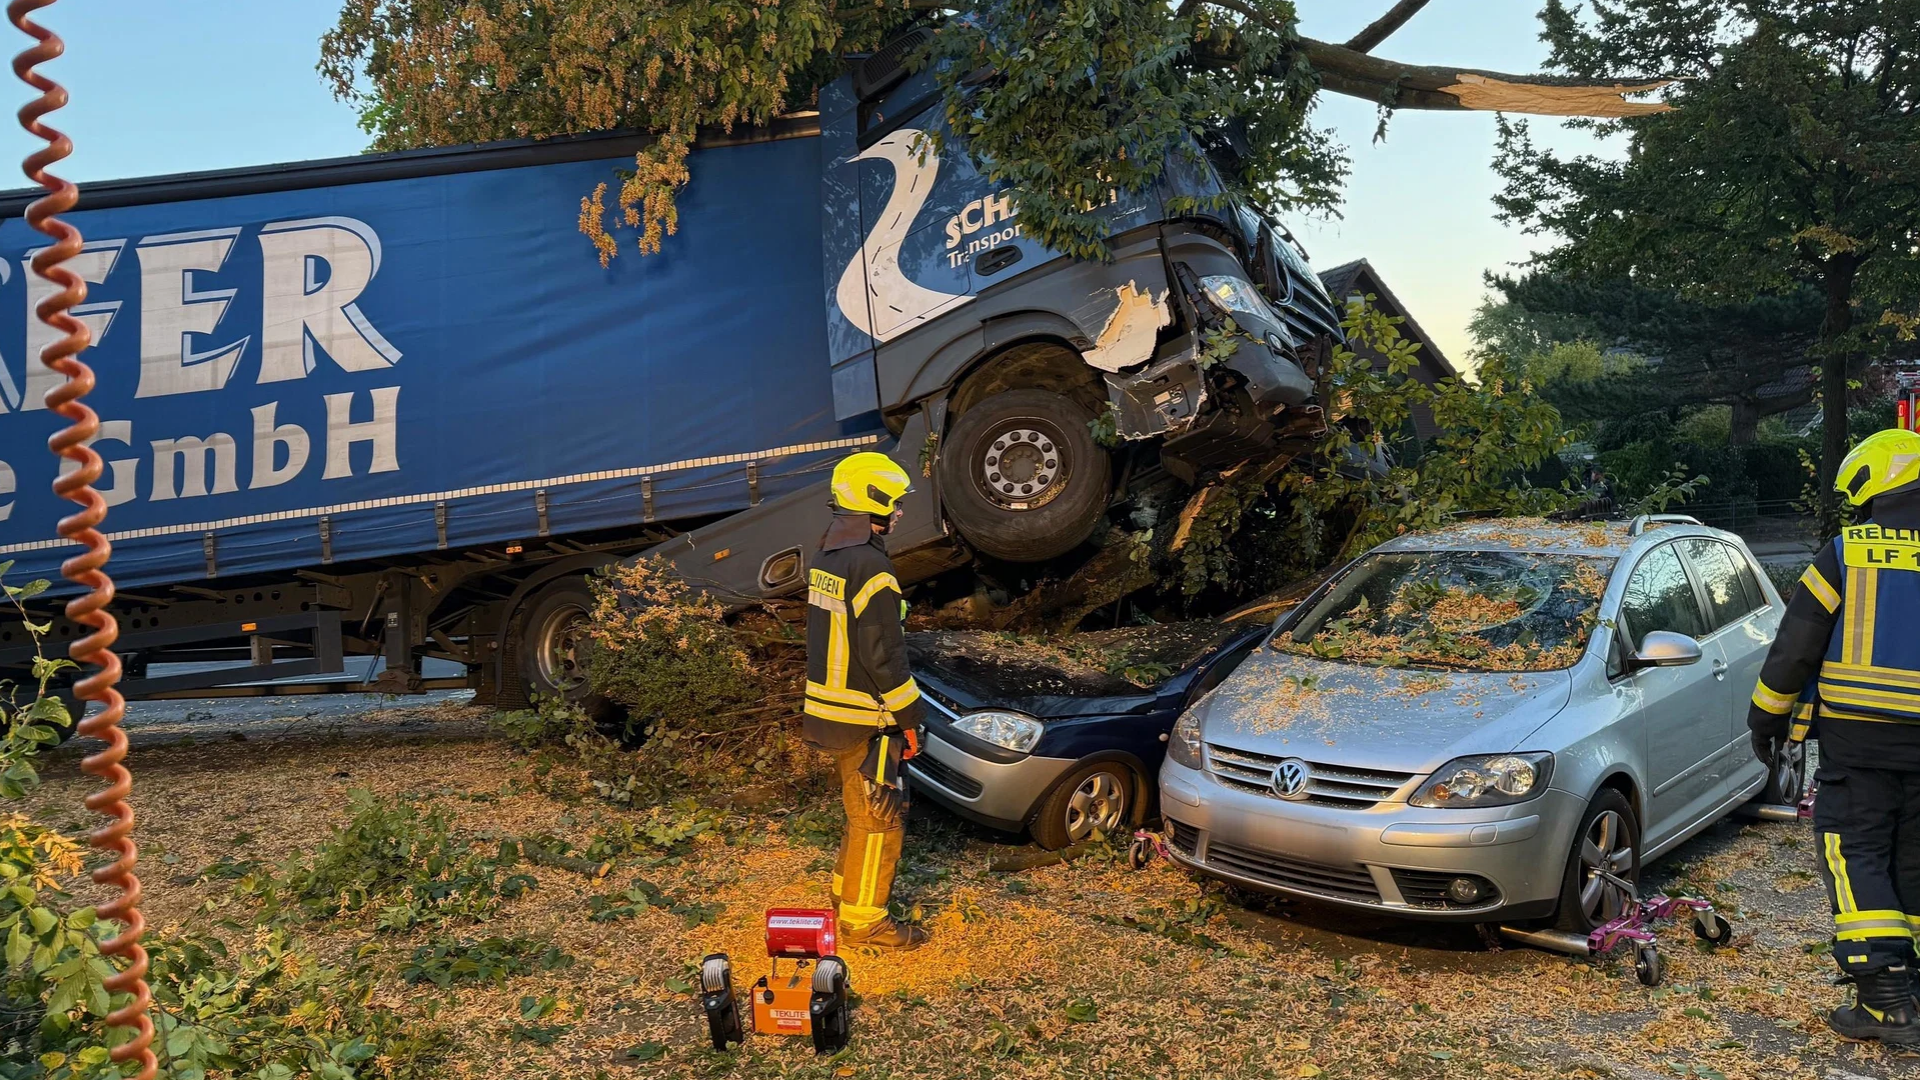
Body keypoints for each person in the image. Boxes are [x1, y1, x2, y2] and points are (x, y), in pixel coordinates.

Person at [1748, 427, 1920, 1046]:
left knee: (1857, 853)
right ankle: (1912, 983)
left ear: (1876, 484)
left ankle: (1886, 1002)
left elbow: (1796, 649)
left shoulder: (1848, 552)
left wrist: (1767, 720)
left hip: (1859, 745)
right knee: (1914, 860)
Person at [802, 451, 929, 950]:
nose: (899, 513)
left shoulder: (829, 556)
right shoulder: (872, 565)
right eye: (895, 504)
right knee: (879, 821)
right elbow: (883, 654)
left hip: (830, 713)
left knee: (859, 814)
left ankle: (844, 895)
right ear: (873, 501)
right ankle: (864, 923)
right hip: (865, 718)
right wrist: (910, 719)